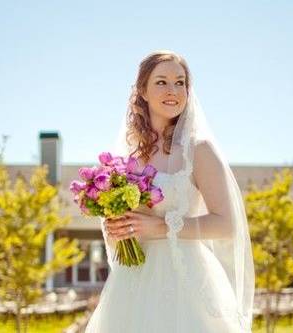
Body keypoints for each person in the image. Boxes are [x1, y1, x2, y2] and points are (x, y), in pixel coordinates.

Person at [84, 50, 255, 333]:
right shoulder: (127, 159)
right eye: (162, 82)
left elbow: (226, 224)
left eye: (180, 82)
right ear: (143, 90)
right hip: (134, 280)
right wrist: (116, 225)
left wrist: (161, 227)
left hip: (187, 280)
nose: (173, 90)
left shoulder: (198, 151)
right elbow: (121, 224)